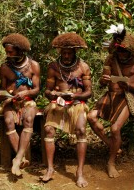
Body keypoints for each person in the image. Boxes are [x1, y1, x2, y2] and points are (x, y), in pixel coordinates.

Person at [87, 25, 134, 178]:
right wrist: (103, 80)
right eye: (118, 50)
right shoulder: (111, 59)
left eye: (123, 51)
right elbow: (103, 82)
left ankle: (111, 162)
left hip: (128, 97)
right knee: (91, 117)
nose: (120, 54)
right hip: (110, 95)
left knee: (115, 129)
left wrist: (129, 85)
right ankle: (112, 145)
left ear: (130, 51)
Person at [42, 33, 91, 188]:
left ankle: (80, 172)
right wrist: (54, 94)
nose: (67, 55)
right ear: (60, 52)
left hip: (77, 103)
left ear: (75, 51)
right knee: (49, 129)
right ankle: (50, 169)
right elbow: (47, 91)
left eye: (70, 53)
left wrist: (76, 95)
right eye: (64, 53)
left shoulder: (83, 67)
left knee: (81, 130)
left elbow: (89, 92)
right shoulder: (53, 67)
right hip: (58, 103)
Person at [0, 33, 40, 176]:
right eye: (6, 52)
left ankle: (17, 159)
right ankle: (20, 157)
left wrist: (24, 94)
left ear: (20, 50)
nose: (8, 55)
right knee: (9, 121)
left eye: (11, 52)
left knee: (28, 119)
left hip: (28, 102)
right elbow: (3, 89)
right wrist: (2, 94)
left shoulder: (33, 65)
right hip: (11, 103)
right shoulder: (4, 67)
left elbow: (36, 89)